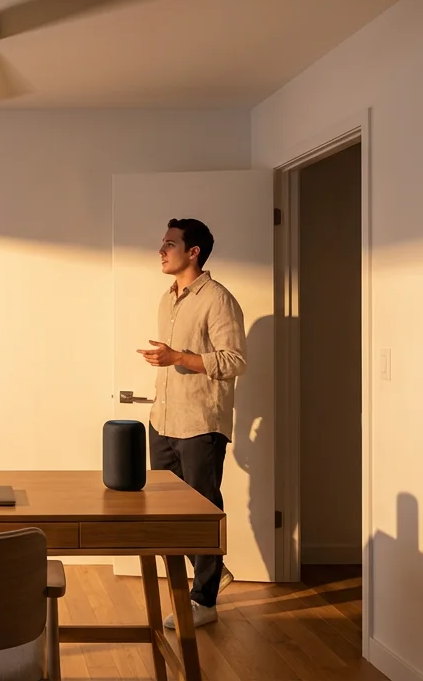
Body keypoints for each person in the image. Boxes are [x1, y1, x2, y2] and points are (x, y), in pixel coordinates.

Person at [137, 218, 247, 629]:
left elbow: (235, 360)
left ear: (193, 251)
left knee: (202, 509)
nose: (161, 250)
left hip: (201, 423)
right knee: (165, 510)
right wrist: (166, 361)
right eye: (162, 243)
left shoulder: (217, 299)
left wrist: (178, 358)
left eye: (169, 244)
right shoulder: (168, 300)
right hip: (163, 420)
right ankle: (212, 570)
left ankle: (204, 599)